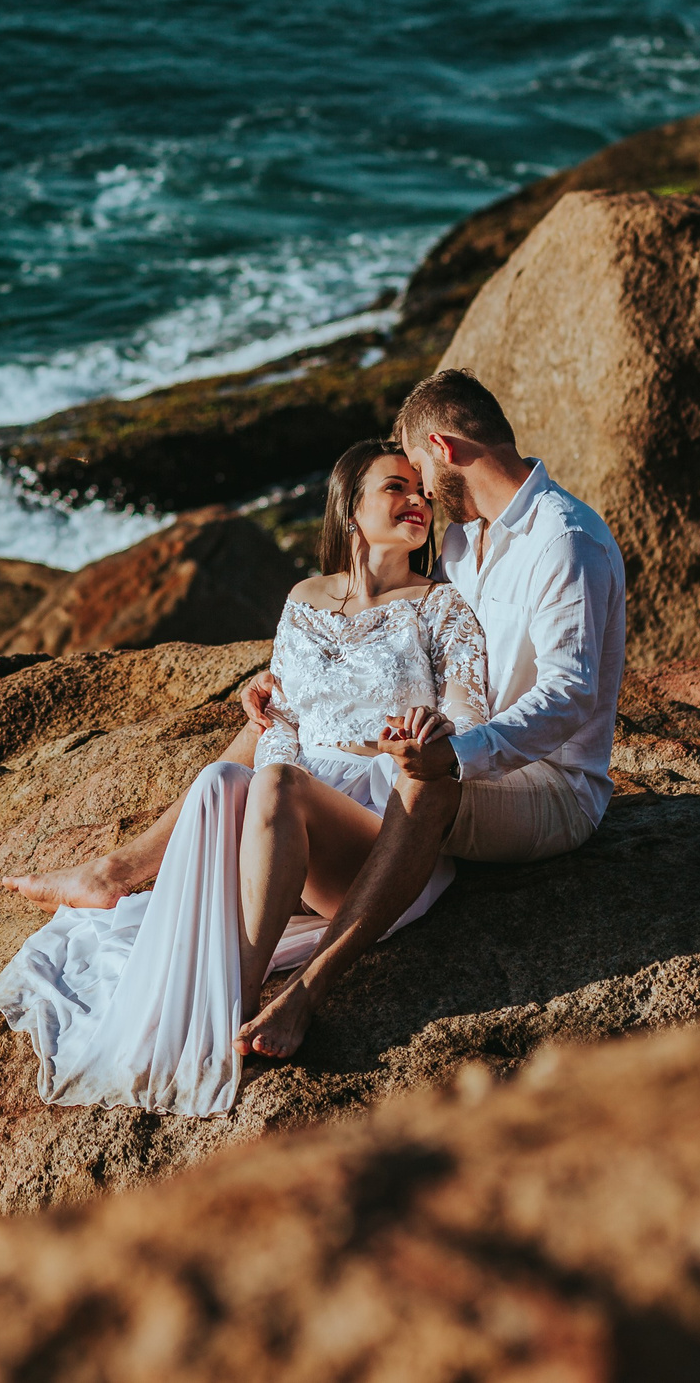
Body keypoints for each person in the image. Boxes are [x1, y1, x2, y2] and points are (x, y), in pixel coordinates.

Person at [0, 437, 491, 1115]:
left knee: (275, 783)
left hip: (377, 830)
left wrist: (433, 731)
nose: (416, 500)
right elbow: (282, 720)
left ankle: (239, 1003)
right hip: (289, 821)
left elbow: (467, 705)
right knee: (221, 786)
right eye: (394, 488)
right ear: (351, 511)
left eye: (419, 489)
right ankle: (123, 881)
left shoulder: (441, 606)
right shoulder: (305, 599)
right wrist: (267, 751)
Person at [231, 366, 627, 1060]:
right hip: (464, 757)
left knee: (422, 783)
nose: (417, 493)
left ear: (441, 447)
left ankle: (308, 992)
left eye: (414, 468)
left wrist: (456, 753)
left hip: (551, 788)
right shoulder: (459, 542)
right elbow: (413, 645)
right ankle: (223, 952)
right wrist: (291, 681)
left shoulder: (564, 540)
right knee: (313, 780)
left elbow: (569, 694)